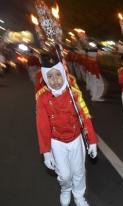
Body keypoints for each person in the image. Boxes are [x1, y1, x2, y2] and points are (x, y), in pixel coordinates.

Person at [35, 53, 97, 206]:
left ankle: (79, 196)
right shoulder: (42, 98)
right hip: (57, 142)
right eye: (50, 76)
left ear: (63, 74)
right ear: (44, 78)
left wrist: (92, 141)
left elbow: (85, 116)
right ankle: (65, 188)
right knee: (64, 175)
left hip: (76, 139)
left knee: (79, 171)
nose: (55, 80)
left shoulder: (74, 93)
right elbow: (42, 125)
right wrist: (46, 152)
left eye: (58, 75)